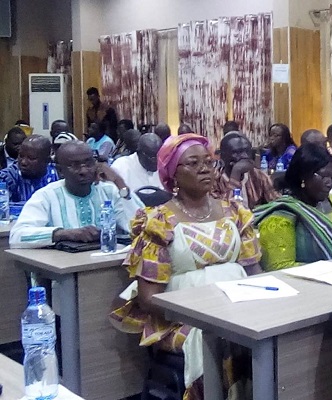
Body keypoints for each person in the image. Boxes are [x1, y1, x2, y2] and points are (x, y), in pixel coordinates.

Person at [109, 133, 262, 400]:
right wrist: (204, 312)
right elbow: (148, 298)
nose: (204, 169)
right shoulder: (159, 221)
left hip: (238, 310)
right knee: (221, 340)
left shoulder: (235, 212)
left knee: (269, 335)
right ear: (173, 174)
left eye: (209, 162)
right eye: (193, 163)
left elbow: (254, 273)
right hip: (183, 320)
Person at [10, 141, 141, 248]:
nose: (83, 171)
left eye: (88, 164)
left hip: (106, 264)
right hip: (63, 268)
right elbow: (17, 236)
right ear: (60, 171)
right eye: (75, 165)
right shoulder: (47, 196)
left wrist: (119, 182)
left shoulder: (109, 191)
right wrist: (64, 234)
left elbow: (143, 227)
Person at [255, 144, 332, 271]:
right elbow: (278, 267)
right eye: (324, 177)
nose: (329, 183)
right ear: (303, 176)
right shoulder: (281, 216)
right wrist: (329, 267)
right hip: (303, 281)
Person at [212, 132, 279, 209]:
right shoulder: (213, 181)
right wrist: (236, 173)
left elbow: (276, 204)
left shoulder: (259, 176)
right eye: (237, 152)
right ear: (222, 156)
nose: (245, 156)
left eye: (247, 151)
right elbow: (225, 210)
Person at [0, 135, 53, 203]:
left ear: (47, 160)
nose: (23, 162)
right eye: (21, 156)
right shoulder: (6, 177)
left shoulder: (56, 176)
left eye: (31, 158)